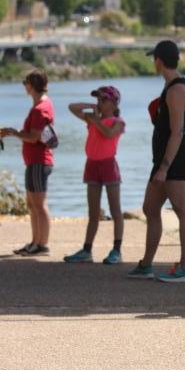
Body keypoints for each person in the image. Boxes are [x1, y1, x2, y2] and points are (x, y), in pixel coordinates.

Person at [128, 40, 185, 283]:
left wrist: (165, 167)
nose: (153, 62)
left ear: (159, 60)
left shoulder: (176, 90)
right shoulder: (169, 87)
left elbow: (177, 132)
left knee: (183, 210)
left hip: (174, 161)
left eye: (153, 59)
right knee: (150, 207)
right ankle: (146, 265)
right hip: (163, 160)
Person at [64, 86, 125, 264]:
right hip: (92, 165)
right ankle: (87, 250)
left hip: (108, 166)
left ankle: (116, 250)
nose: (99, 102)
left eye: (103, 100)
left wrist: (95, 120)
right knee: (93, 212)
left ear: (113, 103)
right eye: (98, 99)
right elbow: (72, 107)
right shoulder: (93, 118)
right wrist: (91, 106)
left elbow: (108, 134)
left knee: (115, 210)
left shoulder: (118, 122)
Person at [0, 69, 55, 256]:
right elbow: (33, 134)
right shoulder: (40, 105)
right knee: (32, 205)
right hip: (33, 162)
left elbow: (34, 137)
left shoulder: (41, 109)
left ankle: (42, 245)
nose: (24, 86)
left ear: (32, 85)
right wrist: (13, 132)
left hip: (39, 162)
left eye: (26, 82)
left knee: (39, 204)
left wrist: (14, 133)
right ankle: (34, 243)